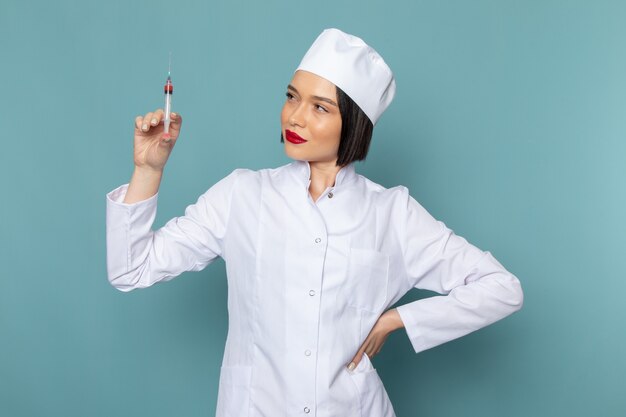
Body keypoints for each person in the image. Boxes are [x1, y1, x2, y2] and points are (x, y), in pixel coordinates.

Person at [106, 28, 524, 417]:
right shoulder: (242, 195)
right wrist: (148, 170)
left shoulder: (392, 213)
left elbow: (502, 288)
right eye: (292, 97)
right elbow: (131, 268)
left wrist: (399, 320)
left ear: (354, 123)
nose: (294, 117)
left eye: (319, 107)